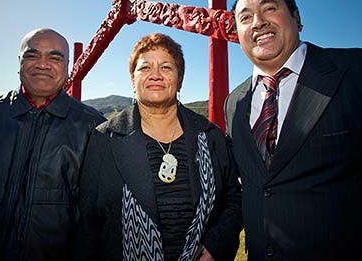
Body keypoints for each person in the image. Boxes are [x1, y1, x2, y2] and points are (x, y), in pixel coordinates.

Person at [225, 0, 362, 261]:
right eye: (245, 18)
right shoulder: (234, 104)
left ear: (297, 18)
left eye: (269, 9)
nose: (258, 23)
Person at [0, 28, 105, 260]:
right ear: (19, 61)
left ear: (67, 66)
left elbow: (98, 208)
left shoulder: (95, 129)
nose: (42, 64)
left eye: (55, 57)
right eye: (32, 55)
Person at [73, 33, 242, 261]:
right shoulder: (104, 139)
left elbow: (233, 199)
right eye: (144, 68)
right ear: (133, 80)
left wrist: (215, 246)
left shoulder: (210, 136)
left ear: (180, 79)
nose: (155, 75)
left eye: (166, 67)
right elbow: (87, 221)